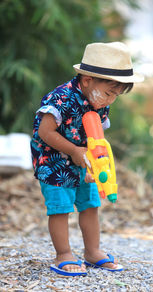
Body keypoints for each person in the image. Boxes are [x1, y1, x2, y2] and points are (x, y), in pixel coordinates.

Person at [30, 41, 144, 276]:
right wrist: (73, 150)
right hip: (54, 162)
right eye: (108, 93)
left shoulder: (99, 101)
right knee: (60, 208)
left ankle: (92, 251)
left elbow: (97, 133)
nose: (110, 100)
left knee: (91, 205)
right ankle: (63, 254)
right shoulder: (60, 98)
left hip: (85, 160)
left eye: (116, 96)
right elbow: (45, 132)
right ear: (87, 80)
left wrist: (98, 159)